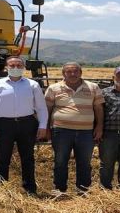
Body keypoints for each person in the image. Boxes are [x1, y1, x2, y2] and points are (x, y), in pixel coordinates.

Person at [0, 56, 48, 196]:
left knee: (28, 158)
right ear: (6, 67)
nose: (15, 68)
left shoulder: (32, 85)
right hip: (3, 124)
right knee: (2, 158)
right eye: (12, 65)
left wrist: (42, 126)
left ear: (24, 67)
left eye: (19, 65)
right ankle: (1, 189)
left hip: (27, 123)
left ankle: (30, 189)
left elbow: (41, 107)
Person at [44, 62, 104, 194]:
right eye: (69, 71)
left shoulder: (93, 87)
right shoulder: (54, 88)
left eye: (76, 71)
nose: (72, 74)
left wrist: (99, 127)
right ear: (63, 74)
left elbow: (99, 108)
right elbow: (47, 109)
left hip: (86, 131)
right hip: (61, 130)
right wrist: (46, 128)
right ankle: (59, 189)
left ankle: (83, 189)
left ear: (81, 73)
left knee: (84, 161)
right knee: (60, 160)